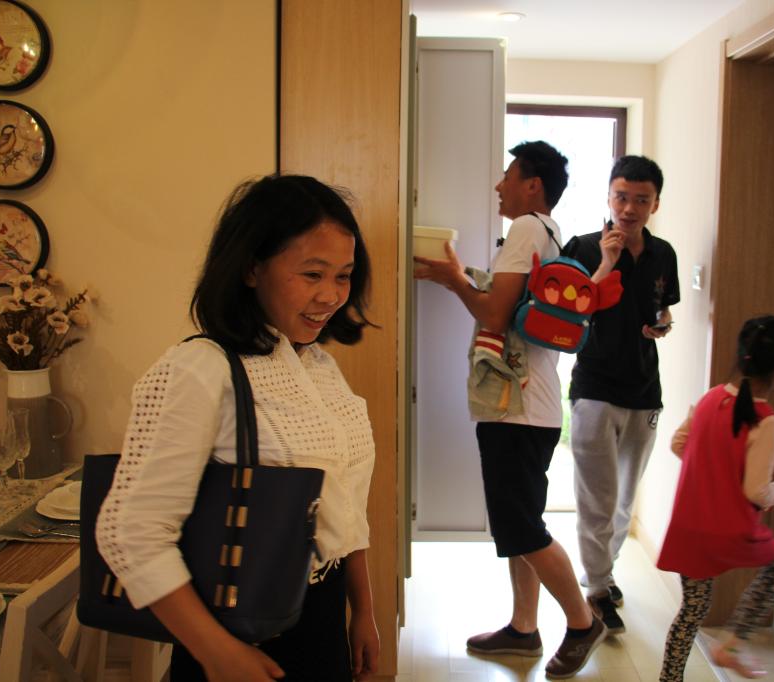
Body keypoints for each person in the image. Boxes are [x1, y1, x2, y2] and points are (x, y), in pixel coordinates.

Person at [95, 174, 380, 682]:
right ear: (252, 268)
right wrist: (218, 654)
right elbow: (129, 533)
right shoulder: (200, 369)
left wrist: (363, 610)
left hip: (321, 616)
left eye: (343, 276)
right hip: (240, 628)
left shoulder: (318, 366)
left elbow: (344, 505)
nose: (331, 295)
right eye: (312, 274)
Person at [414, 141, 606, 679]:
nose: (499, 185)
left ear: (532, 184)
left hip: (516, 408)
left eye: (508, 176)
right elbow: (513, 301)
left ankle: (583, 623)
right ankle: (524, 629)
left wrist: (454, 280)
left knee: (521, 527)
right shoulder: (548, 232)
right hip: (531, 406)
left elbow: (496, 315)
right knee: (520, 525)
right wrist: (459, 275)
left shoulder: (525, 228)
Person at [560, 155, 679, 634]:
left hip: (645, 390)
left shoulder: (663, 254)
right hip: (594, 387)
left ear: (655, 204)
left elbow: (662, 310)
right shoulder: (584, 247)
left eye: (641, 200)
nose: (629, 209)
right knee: (597, 497)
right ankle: (596, 590)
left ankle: (601, 574)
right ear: (608, 197)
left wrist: (663, 324)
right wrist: (606, 264)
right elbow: (568, 314)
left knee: (624, 501)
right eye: (621, 197)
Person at [656, 315, 774, 681]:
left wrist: (710, 469)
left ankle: (669, 679)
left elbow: (679, 444)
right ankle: (732, 645)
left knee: (692, 611)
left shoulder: (709, 398)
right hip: (729, 529)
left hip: (689, 526)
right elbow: (756, 491)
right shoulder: (766, 421)